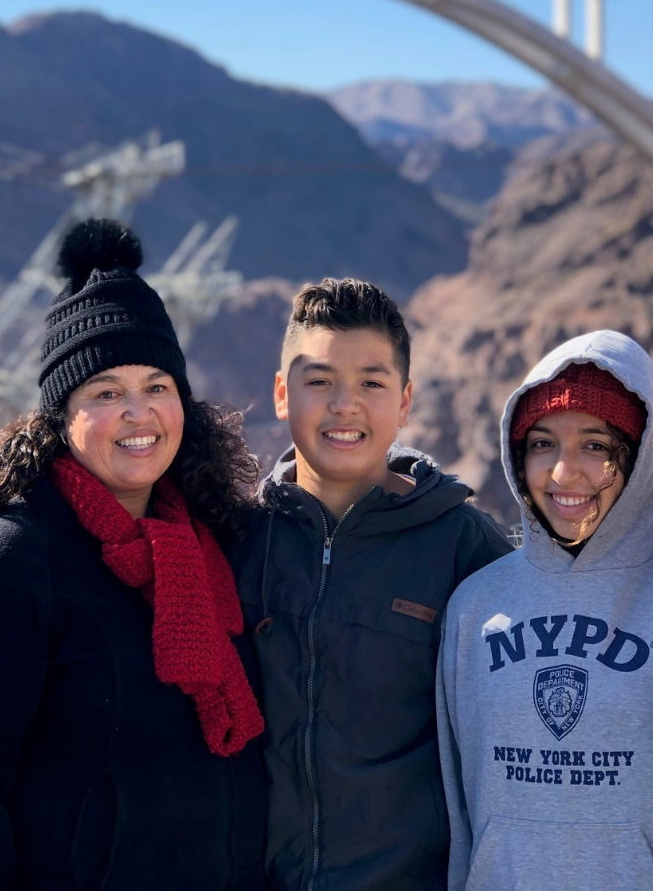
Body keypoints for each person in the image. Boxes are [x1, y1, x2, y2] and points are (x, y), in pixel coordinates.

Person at [0, 219, 267, 891]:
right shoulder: (8, 560)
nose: (140, 413)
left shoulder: (206, 545)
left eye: (157, 386)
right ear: (59, 416)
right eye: (106, 393)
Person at [229, 277, 511, 891]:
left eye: (372, 383)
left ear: (404, 401)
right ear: (282, 393)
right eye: (320, 380)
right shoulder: (236, 540)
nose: (344, 404)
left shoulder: (464, 547)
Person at [437, 329, 653, 891]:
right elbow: (460, 816)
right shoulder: (475, 607)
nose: (565, 474)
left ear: (640, 456)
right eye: (542, 443)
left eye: (596, 445)